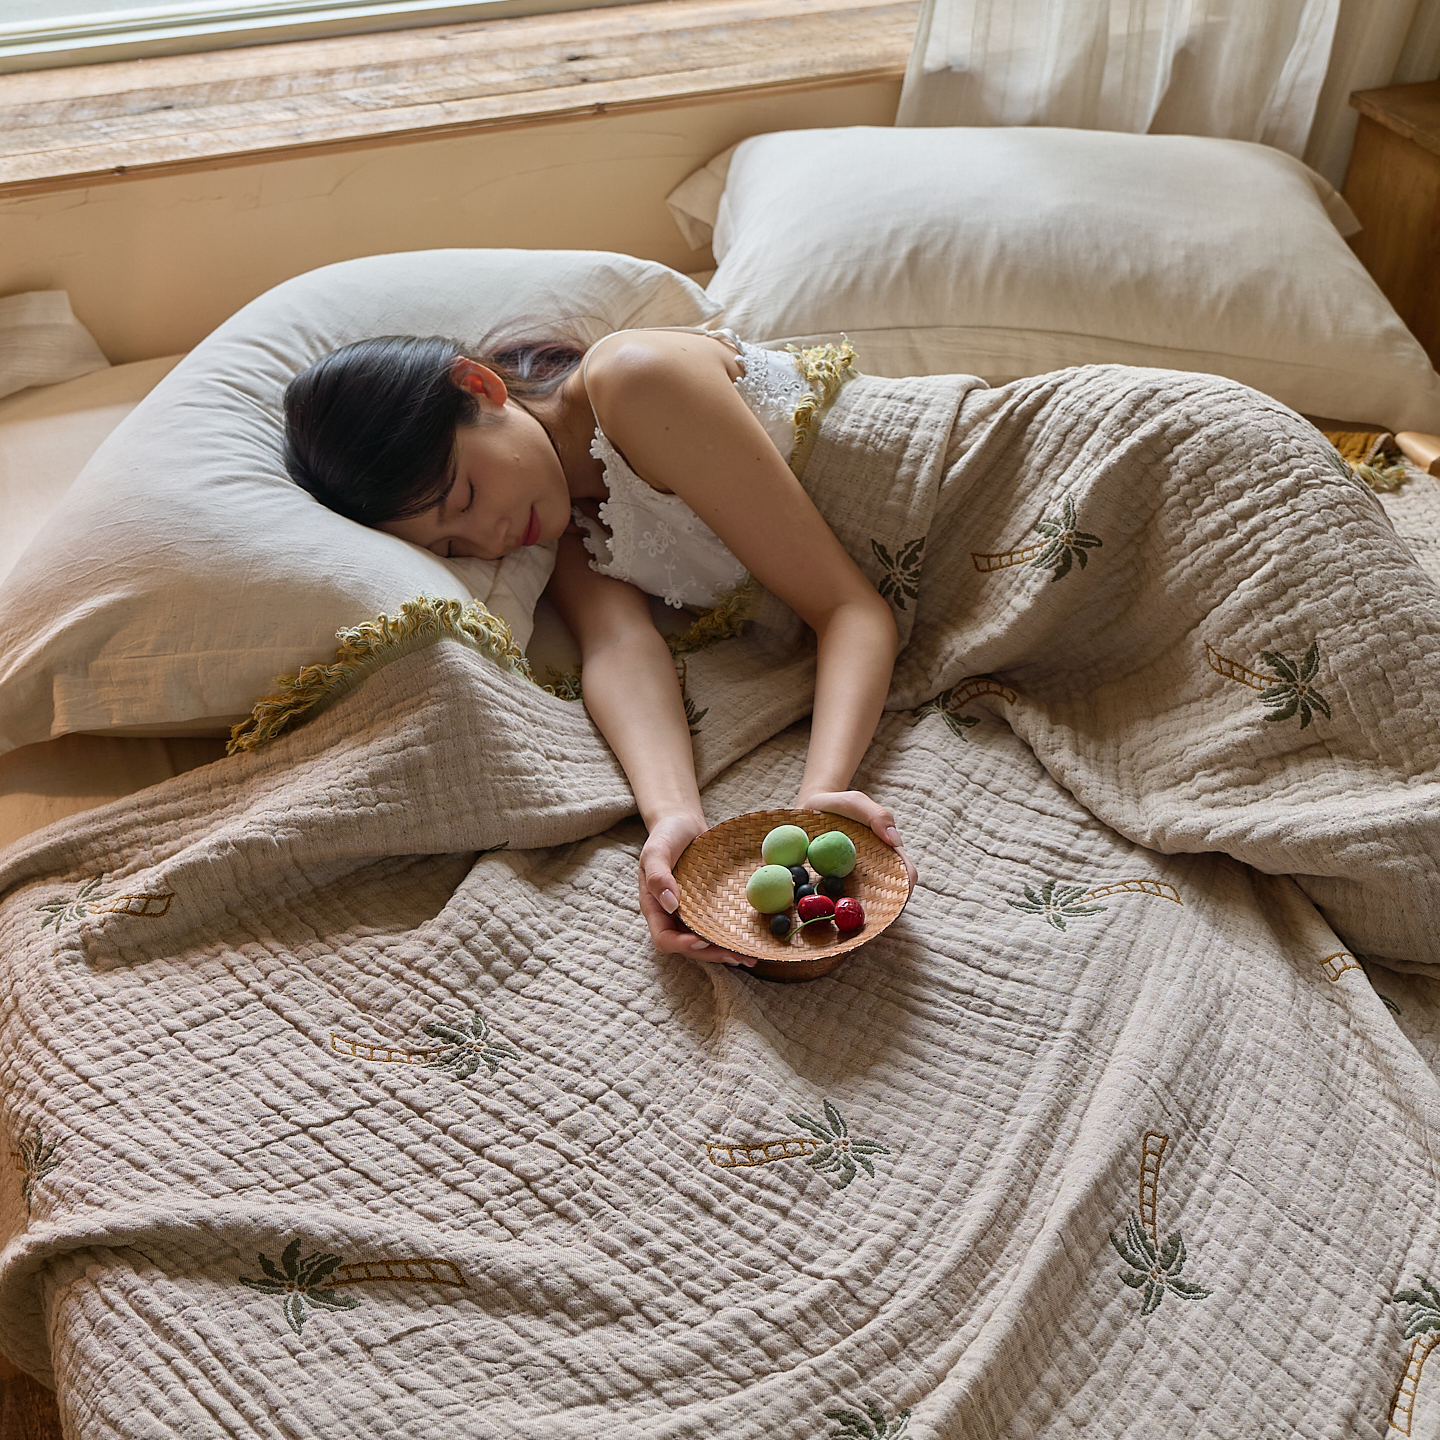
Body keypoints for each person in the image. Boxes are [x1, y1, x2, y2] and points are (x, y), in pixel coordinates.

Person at [282, 326, 917, 967]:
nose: (491, 538)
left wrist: (819, 798)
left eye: (467, 495)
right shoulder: (564, 520)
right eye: (452, 548)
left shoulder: (633, 382)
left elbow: (849, 609)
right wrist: (671, 818)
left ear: (479, 386)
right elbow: (620, 649)